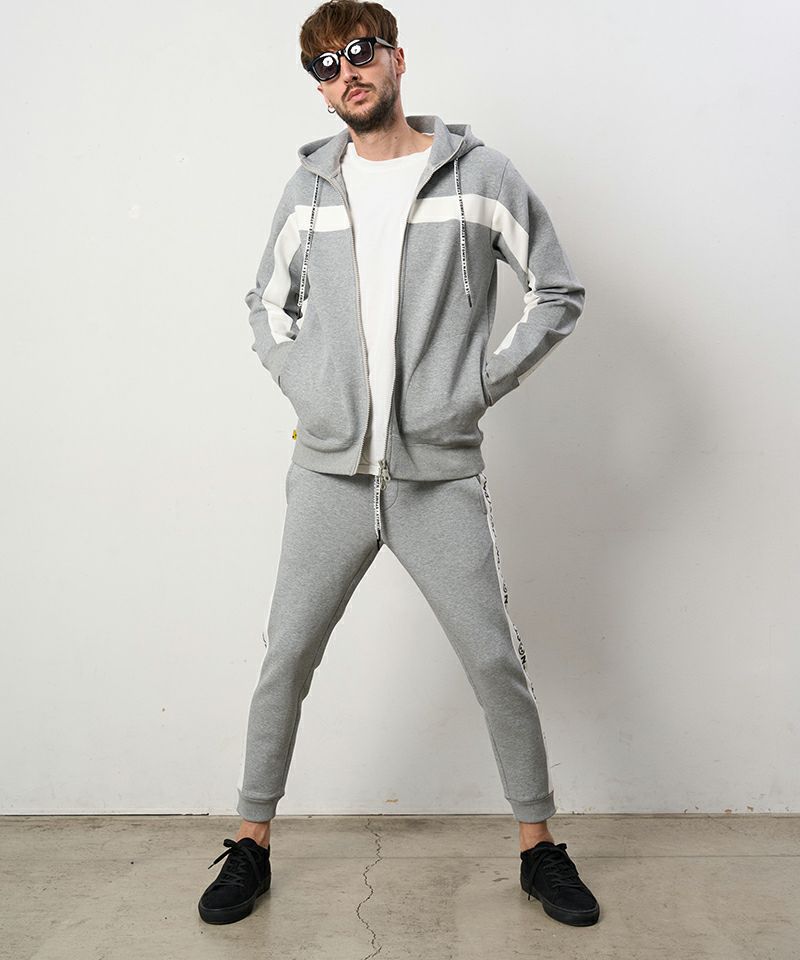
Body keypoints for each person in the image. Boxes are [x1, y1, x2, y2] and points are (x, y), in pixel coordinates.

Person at [198, 0, 599, 928]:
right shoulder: (310, 188)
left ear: (396, 58)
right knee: (286, 656)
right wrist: (307, 386)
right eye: (325, 64)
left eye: (359, 52)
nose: (346, 72)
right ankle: (251, 844)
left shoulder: (479, 175)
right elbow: (265, 302)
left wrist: (479, 386)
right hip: (329, 474)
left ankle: (539, 849)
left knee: (493, 659)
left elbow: (556, 289)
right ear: (319, 86)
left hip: (438, 474)